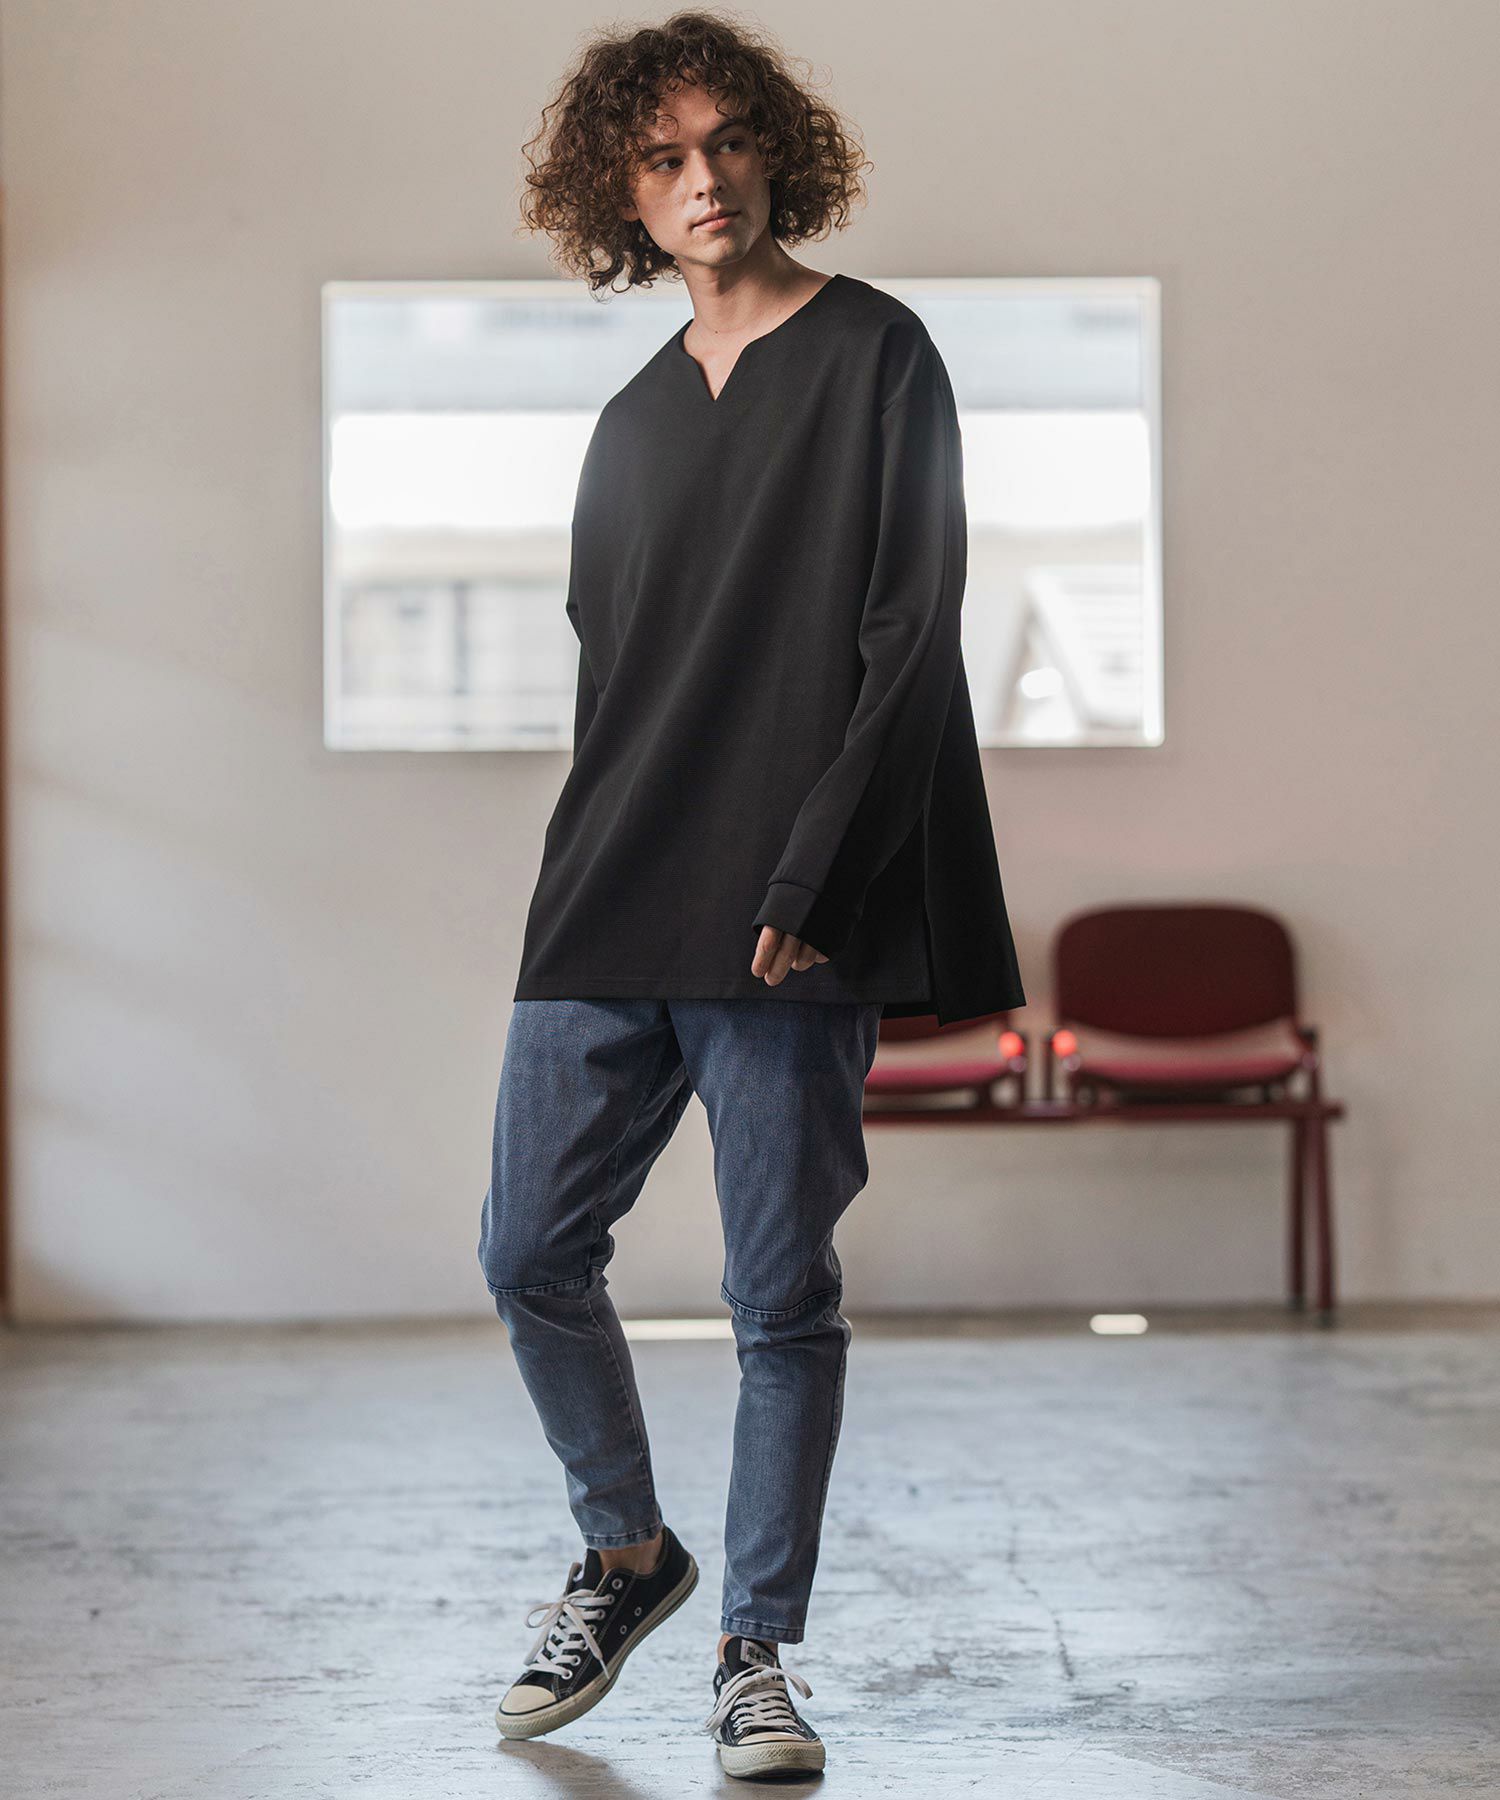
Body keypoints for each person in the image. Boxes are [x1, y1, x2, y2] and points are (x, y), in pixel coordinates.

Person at [478, 10, 1025, 1778]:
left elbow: (908, 637)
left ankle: (755, 1654)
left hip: (797, 909)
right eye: (662, 158)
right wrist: (583, 868)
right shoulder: (631, 418)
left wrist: (816, 869)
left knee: (779, 1297)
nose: (702, 178)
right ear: (621, 196)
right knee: (526, 1250)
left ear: (778, 149)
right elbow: (609, 671)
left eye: (726, 142)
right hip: (610, 889)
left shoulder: (879, 356)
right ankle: (628, 1555)